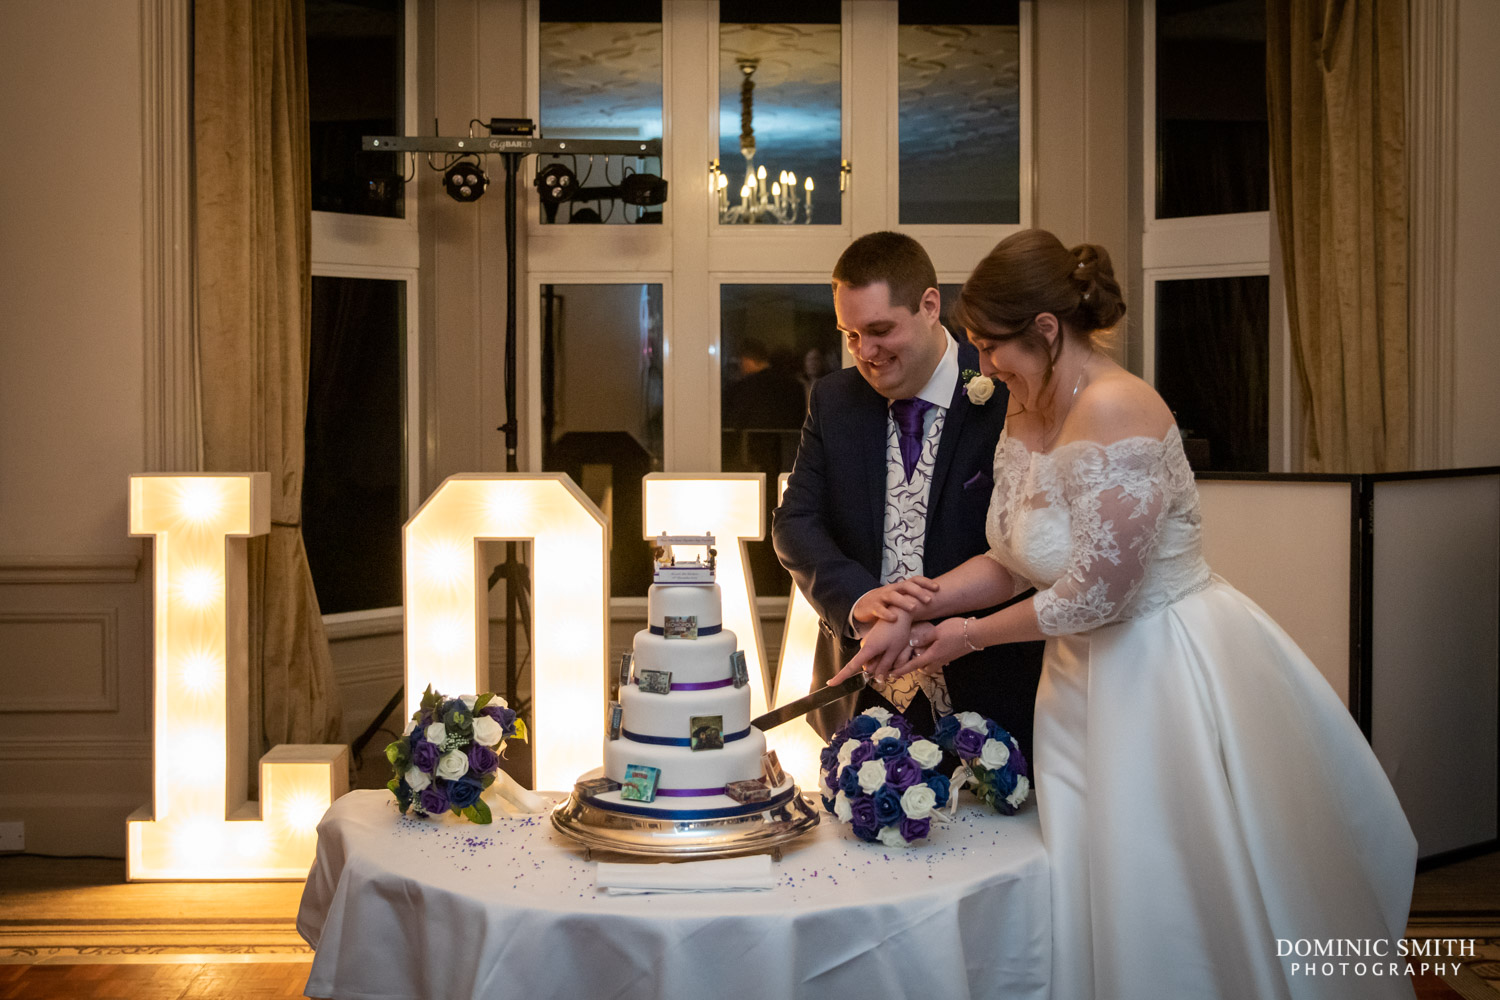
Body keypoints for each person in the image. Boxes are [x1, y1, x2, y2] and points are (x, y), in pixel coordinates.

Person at [831, 229, 1418, 1000]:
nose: (983, 364)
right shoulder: (1025, 406)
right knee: (1093, 876)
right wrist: (922, 602)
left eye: (991, 345)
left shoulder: (1120, 408)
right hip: (1078, 682)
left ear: (1046, 330)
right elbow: (1013, 558)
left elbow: (1096, 593)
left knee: (1168, 878)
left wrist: (961, 637)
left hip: (1160, 671)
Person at [772, 231, 1044, 752]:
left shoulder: (1004, 390)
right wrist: (860, 601)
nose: (864, 353)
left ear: (929, 305)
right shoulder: (833, 399)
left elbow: (1026, 546)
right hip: (862, 703)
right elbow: (795, 523)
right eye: (850, 335)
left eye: (879, 330)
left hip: (990, 696)